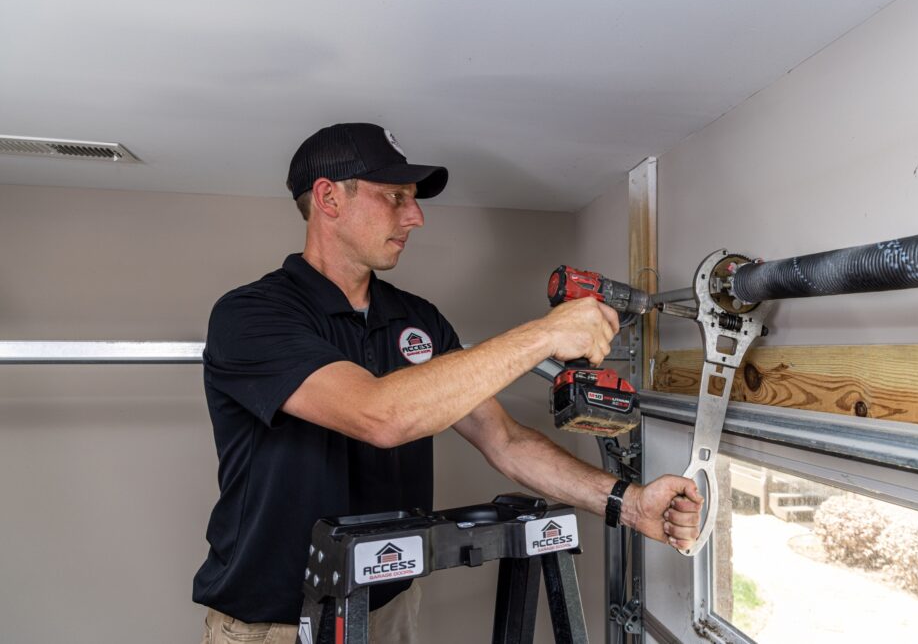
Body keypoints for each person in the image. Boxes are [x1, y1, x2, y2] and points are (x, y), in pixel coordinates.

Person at [193, 123, 703, 643]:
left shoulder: (418, 319)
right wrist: (544, 334)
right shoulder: (251, 315)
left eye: (413, 200)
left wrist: (629, 502)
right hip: (274, 625)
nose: (414, 216)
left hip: (386, 607)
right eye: (394, 197)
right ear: (328, 198)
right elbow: (380, 415)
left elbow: (505, 440)